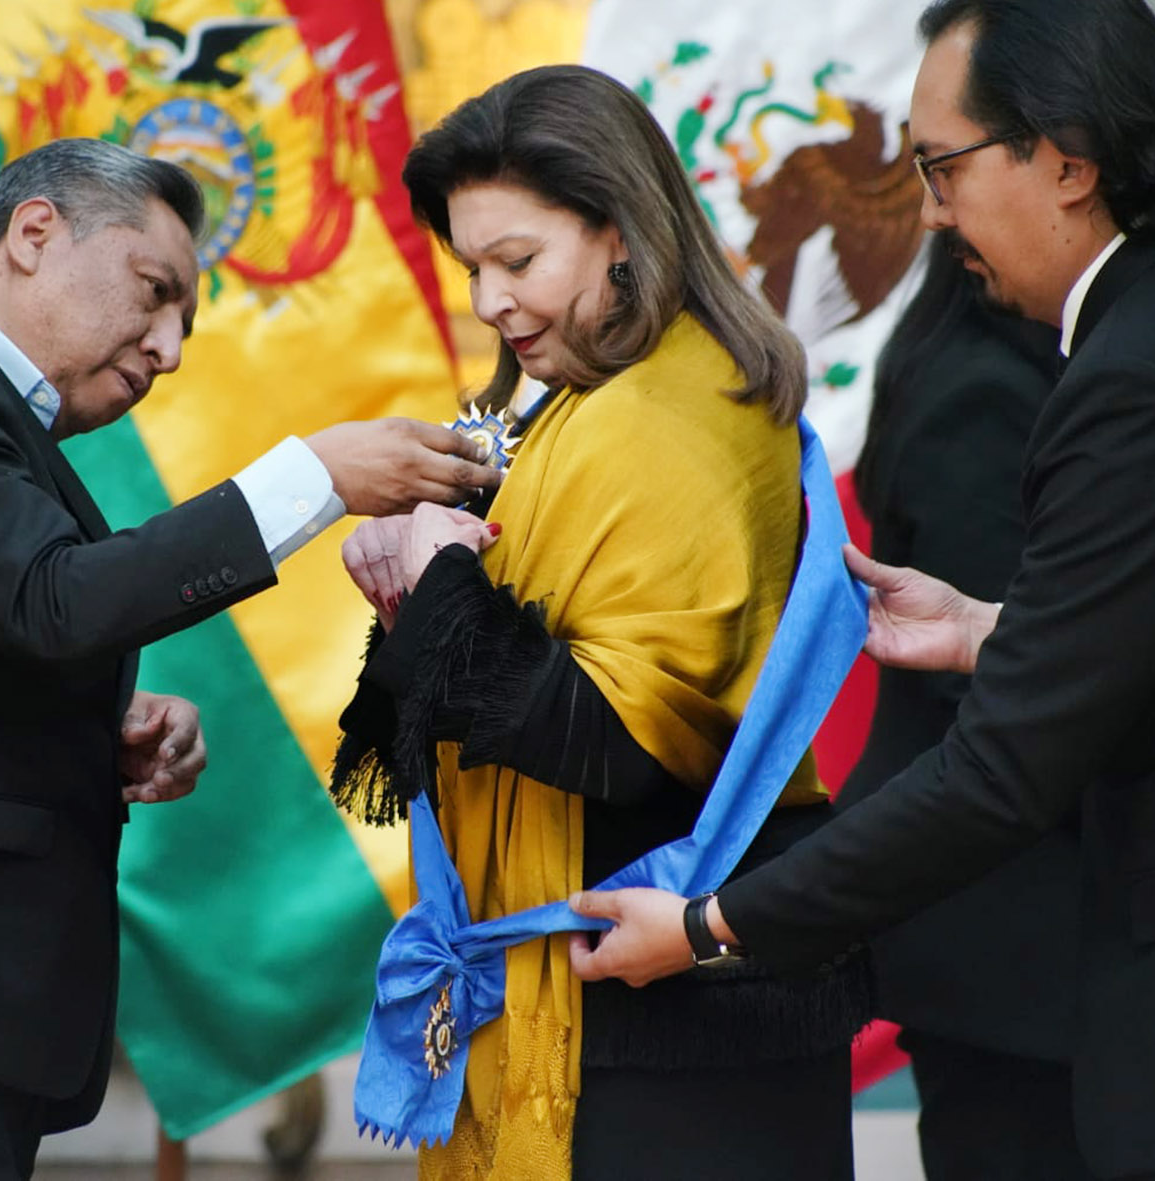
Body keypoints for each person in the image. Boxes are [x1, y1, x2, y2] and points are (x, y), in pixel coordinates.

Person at [570, 2, 1155, 1177]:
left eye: (941, 166)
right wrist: (995, 632)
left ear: (1066, 161)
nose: (927, 209)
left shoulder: (1136, 373)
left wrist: (713, 926)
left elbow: (1008, 764)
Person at [0, 137, 504, 1180]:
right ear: (35, 233)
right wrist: (313, 475)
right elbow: (46, 598)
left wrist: (90, 719)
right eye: (153, 291)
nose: (167, 348)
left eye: (183, 324)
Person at [329, 65, 869, 1180]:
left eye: (516, 261)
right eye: (471, 266)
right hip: (630, 1000)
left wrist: (441, 582)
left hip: (668, 1025)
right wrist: (415, 589)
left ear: (620, 231)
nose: (486, 301)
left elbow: (610, 743)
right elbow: (443, 712)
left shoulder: (662, 416)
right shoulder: (582, 403)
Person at [842, 231, 1091, 1180]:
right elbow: (1000, 686)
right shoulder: (982, 394)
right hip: (1006, 919)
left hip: (1009, 913)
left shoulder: (996, 369)